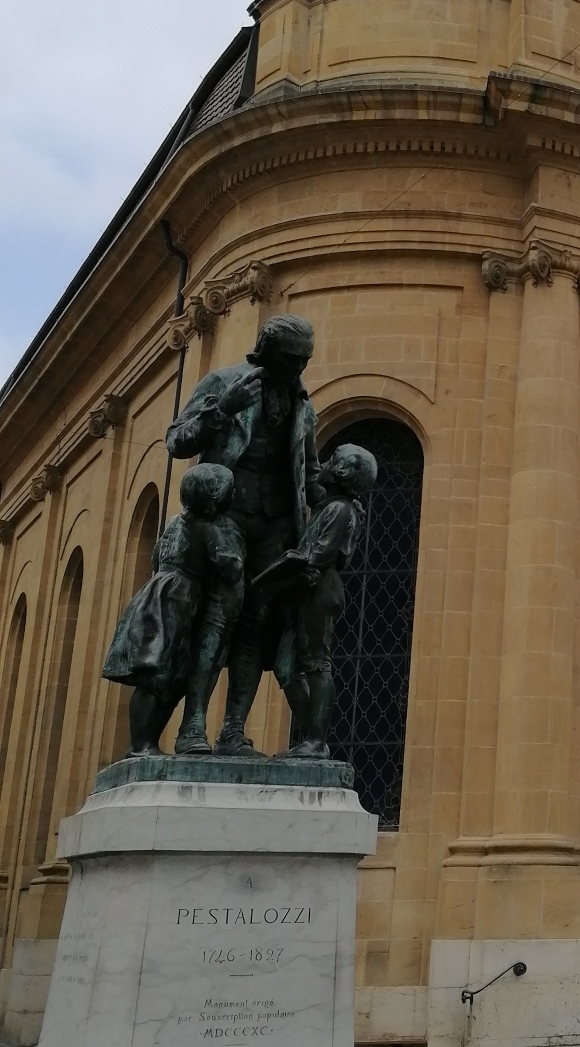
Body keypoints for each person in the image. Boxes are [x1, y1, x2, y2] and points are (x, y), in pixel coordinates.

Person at [165, 314, 320, 753]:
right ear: (266, 351)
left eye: (304, 361)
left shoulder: (302, 402)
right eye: (291, 359)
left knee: (257, 623)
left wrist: (343, 492)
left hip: (276, 524)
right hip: (226, 512)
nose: (298, 369)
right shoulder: (225, 382)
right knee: (221, 612)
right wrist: (222, 411)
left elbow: (308, 472)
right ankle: (193, 723)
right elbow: (177, 441)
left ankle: (233, 728)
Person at [102, 463, 245, 755]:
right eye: (229, 489)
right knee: (160, 677)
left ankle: (143, 744)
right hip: (176, 603)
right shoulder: (205, 527)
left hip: (156, 596)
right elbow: (228, 566)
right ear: (214, 497)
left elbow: (156, 558)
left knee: (160, 676)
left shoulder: (174, 522)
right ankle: (142, 745)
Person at [254, 443, 377, 757]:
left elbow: (316, 557)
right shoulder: (332, 504)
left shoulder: (339, 509)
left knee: (317, 663)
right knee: (285, 667)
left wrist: (272, 580)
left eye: (332, 460)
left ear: (341, 472)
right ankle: (313, 737)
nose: (324, 463)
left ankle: (316, 742)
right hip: (308, 589)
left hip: (318, 588)